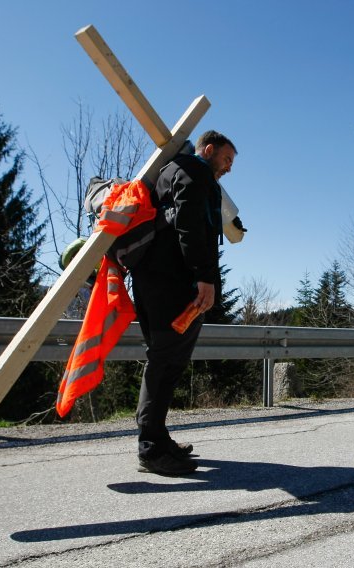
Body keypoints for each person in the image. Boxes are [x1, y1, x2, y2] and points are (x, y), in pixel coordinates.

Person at [126, 130, 237, 475]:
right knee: (167, 362)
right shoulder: (194, 170)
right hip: (173, 284)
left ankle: (157, 439)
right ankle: (151, 448)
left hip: (152, 280)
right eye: (226, 159)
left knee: (163, 360)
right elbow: (189, 224)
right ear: (208, 150)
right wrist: (204, 276)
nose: (228, 168)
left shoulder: (169, 171)